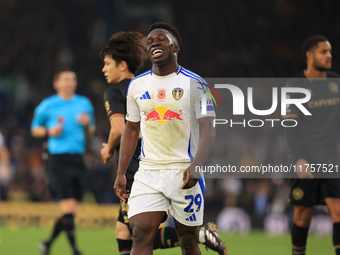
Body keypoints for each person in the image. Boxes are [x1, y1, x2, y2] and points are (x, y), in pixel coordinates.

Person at [101, 31, 226, 255]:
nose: (154, 44)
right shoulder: (137, 85)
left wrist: (196, 165)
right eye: (150, 41)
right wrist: (120, 172)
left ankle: (199, 235)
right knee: (139, 234)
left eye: (161, 40)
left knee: (187, 240)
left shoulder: (196, 83)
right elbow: (130, 129)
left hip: (183, 171)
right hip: (147, 172)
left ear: (175, 48)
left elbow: (209, 127)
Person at [284, 35, 340, 255]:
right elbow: (290, 127)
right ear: (310, 55)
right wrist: (298, 158)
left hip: (331, 160)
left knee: (338, 212)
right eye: (324, 52)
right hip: (305, 159)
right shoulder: (295, 86)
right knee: (303, 216)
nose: (329, 56)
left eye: (330, 52)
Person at [31, 69, 96, 255]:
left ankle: (47, 244)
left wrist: (87, 125)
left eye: (73, 79)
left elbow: (90, 131)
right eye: (66, 79)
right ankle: (75, 250)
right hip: (58, 159)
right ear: (56, 84)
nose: (70, 82)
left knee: (71, 210)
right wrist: (48, 132)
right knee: (68, 206)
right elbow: (35, 129)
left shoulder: (84, 104)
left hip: (78, 158)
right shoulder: (48, 105)